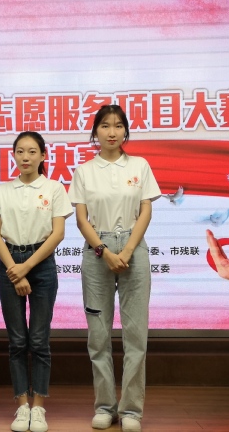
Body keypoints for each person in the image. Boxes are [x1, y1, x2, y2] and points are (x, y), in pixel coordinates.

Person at [68, 105, 161, 432]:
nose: (111, 132)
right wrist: (104, 251)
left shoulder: (140, 165)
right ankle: (105, 407)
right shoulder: (84, 171)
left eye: (118, 126)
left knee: (136, 335)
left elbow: (146, 211)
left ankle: (132, 410)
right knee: (98, 335)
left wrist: (128, 250)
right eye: (105, 126)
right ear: (96, 131)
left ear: (125, 131)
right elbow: (81, 219)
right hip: (97, 250)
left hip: (134, 247)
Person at [0, 131, 72, 432]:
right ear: (13, 155)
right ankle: (22, 405)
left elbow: (57, 234)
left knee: (38, 340)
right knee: (17, 341)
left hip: (41, 264)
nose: (25, 157)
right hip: (9, 262)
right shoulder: (2, 190)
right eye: (20, 151)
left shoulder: (54, 188)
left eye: (32, 151)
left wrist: (26, 268)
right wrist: (14, 269)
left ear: (43, 156)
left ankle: (39, 407)